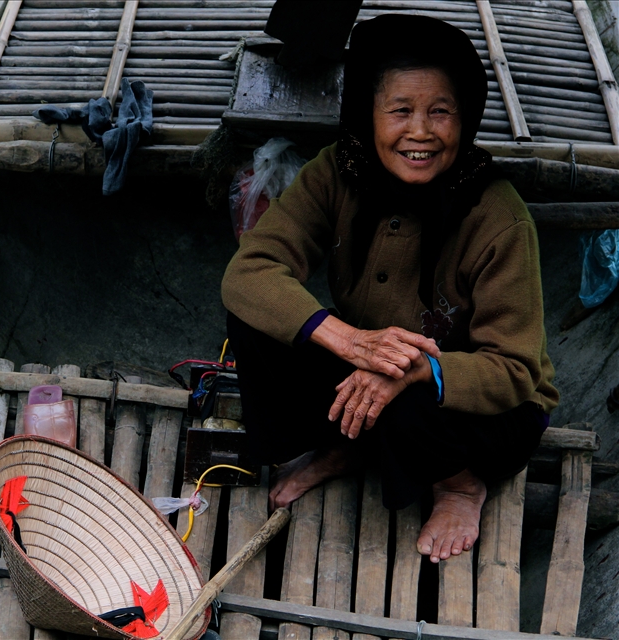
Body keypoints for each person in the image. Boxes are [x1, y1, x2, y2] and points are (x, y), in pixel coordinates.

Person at [221, 14, 558, 564]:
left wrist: (414, 368)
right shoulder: (339, 171)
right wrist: (351, 343)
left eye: (441, 112)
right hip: (370, 357)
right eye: (400, 110)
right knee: (258, 318)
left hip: (474, 402)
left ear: (465, 118)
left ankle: (458, 485)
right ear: (368, 115)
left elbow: (517, 371)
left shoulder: (497, 216)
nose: (420, 131)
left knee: (409, 405)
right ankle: (344, 447)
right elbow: (250, 270)